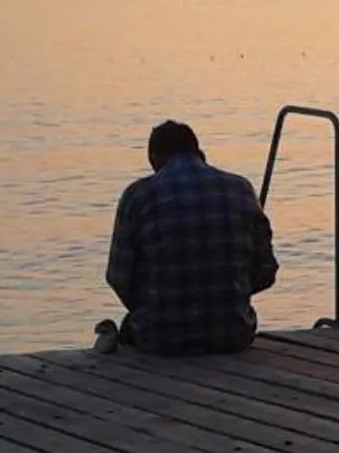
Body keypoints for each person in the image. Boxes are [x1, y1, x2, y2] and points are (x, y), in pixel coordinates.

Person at [97, 120, 277, 357]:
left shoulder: (138, 195)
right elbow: (266, 270)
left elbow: (118, 277)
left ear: (154, 159)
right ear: (200, 152)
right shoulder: (240, 189)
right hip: (232, 334)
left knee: (117, 334)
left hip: (159, 337)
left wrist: (154, 305)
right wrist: (228, 292)